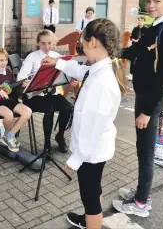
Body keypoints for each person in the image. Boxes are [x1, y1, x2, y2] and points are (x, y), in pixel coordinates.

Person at [42, 18, 127, 229]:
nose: (80, 47)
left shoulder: (102, 82)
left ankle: (92, 221)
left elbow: (93, 128)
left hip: (90, 152)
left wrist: (76, 158)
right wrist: (59, 63)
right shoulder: (98, 68)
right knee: (93, 189)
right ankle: (88, 220)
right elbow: (80, 72)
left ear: (93, 43)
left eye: (82, 42)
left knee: (90, 199)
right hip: (93, 150)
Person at [113, 0, 163, 217]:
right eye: (148, 0)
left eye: (157, 1)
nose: (151, 5)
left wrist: (147, 110)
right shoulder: (157, 26)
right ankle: (142, 192)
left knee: (145, 150)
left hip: (150, 101)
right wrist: (110, 52)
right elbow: (136, 50)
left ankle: (141, 203)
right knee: (142, 147)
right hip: (145, 96)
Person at [17, 30, 73, 153]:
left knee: (68, 107)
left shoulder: (57, 56)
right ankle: (47, 145)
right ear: (38, 43)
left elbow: (63, 75)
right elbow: (21, 77)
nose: (46, 47)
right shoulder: (32, 56)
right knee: (49, 109)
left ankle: (60, 136)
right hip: (35, 95)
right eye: (43, 43)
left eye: (49, 43)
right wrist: (31, 83)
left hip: (52, 93)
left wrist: (70, 80)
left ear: (53, 42)